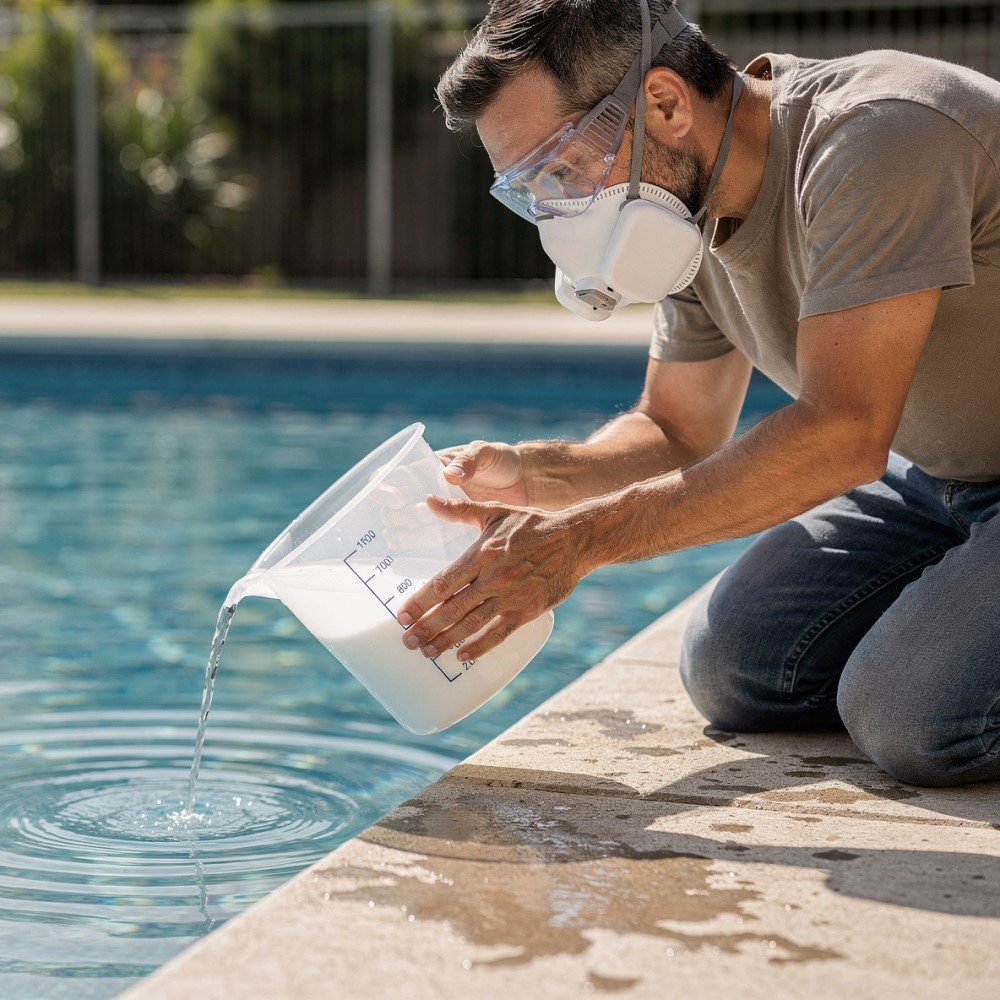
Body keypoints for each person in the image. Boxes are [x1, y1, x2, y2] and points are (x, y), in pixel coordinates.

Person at [396, 0, 1000, 787]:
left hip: (937, 461)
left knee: (912, 717)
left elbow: (844, 434)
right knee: (736, 662)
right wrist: (535, 478)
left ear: (665, 104)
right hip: (947, 475)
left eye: (559, 167)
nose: (555, 209)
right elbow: (678, 426)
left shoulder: (877, 137)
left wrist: (577, 543)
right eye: (529, 189)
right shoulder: (681, 210)